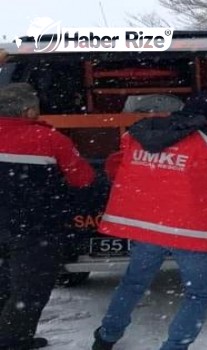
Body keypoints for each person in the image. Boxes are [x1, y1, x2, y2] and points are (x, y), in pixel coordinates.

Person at [92, 91, 207, 350]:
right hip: (193, 231)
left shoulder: (138, 133)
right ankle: (175, 346)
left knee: (134, 282)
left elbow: (115, 166)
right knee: (201, 294)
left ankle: (106, 336)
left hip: (146, 227)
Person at [0, 83, 95, 349]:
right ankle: (12, 340)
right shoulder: (50, 139)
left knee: (5, 281)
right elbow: (83, 178)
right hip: (34, 227)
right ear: (29, 110)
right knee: (30, 288)